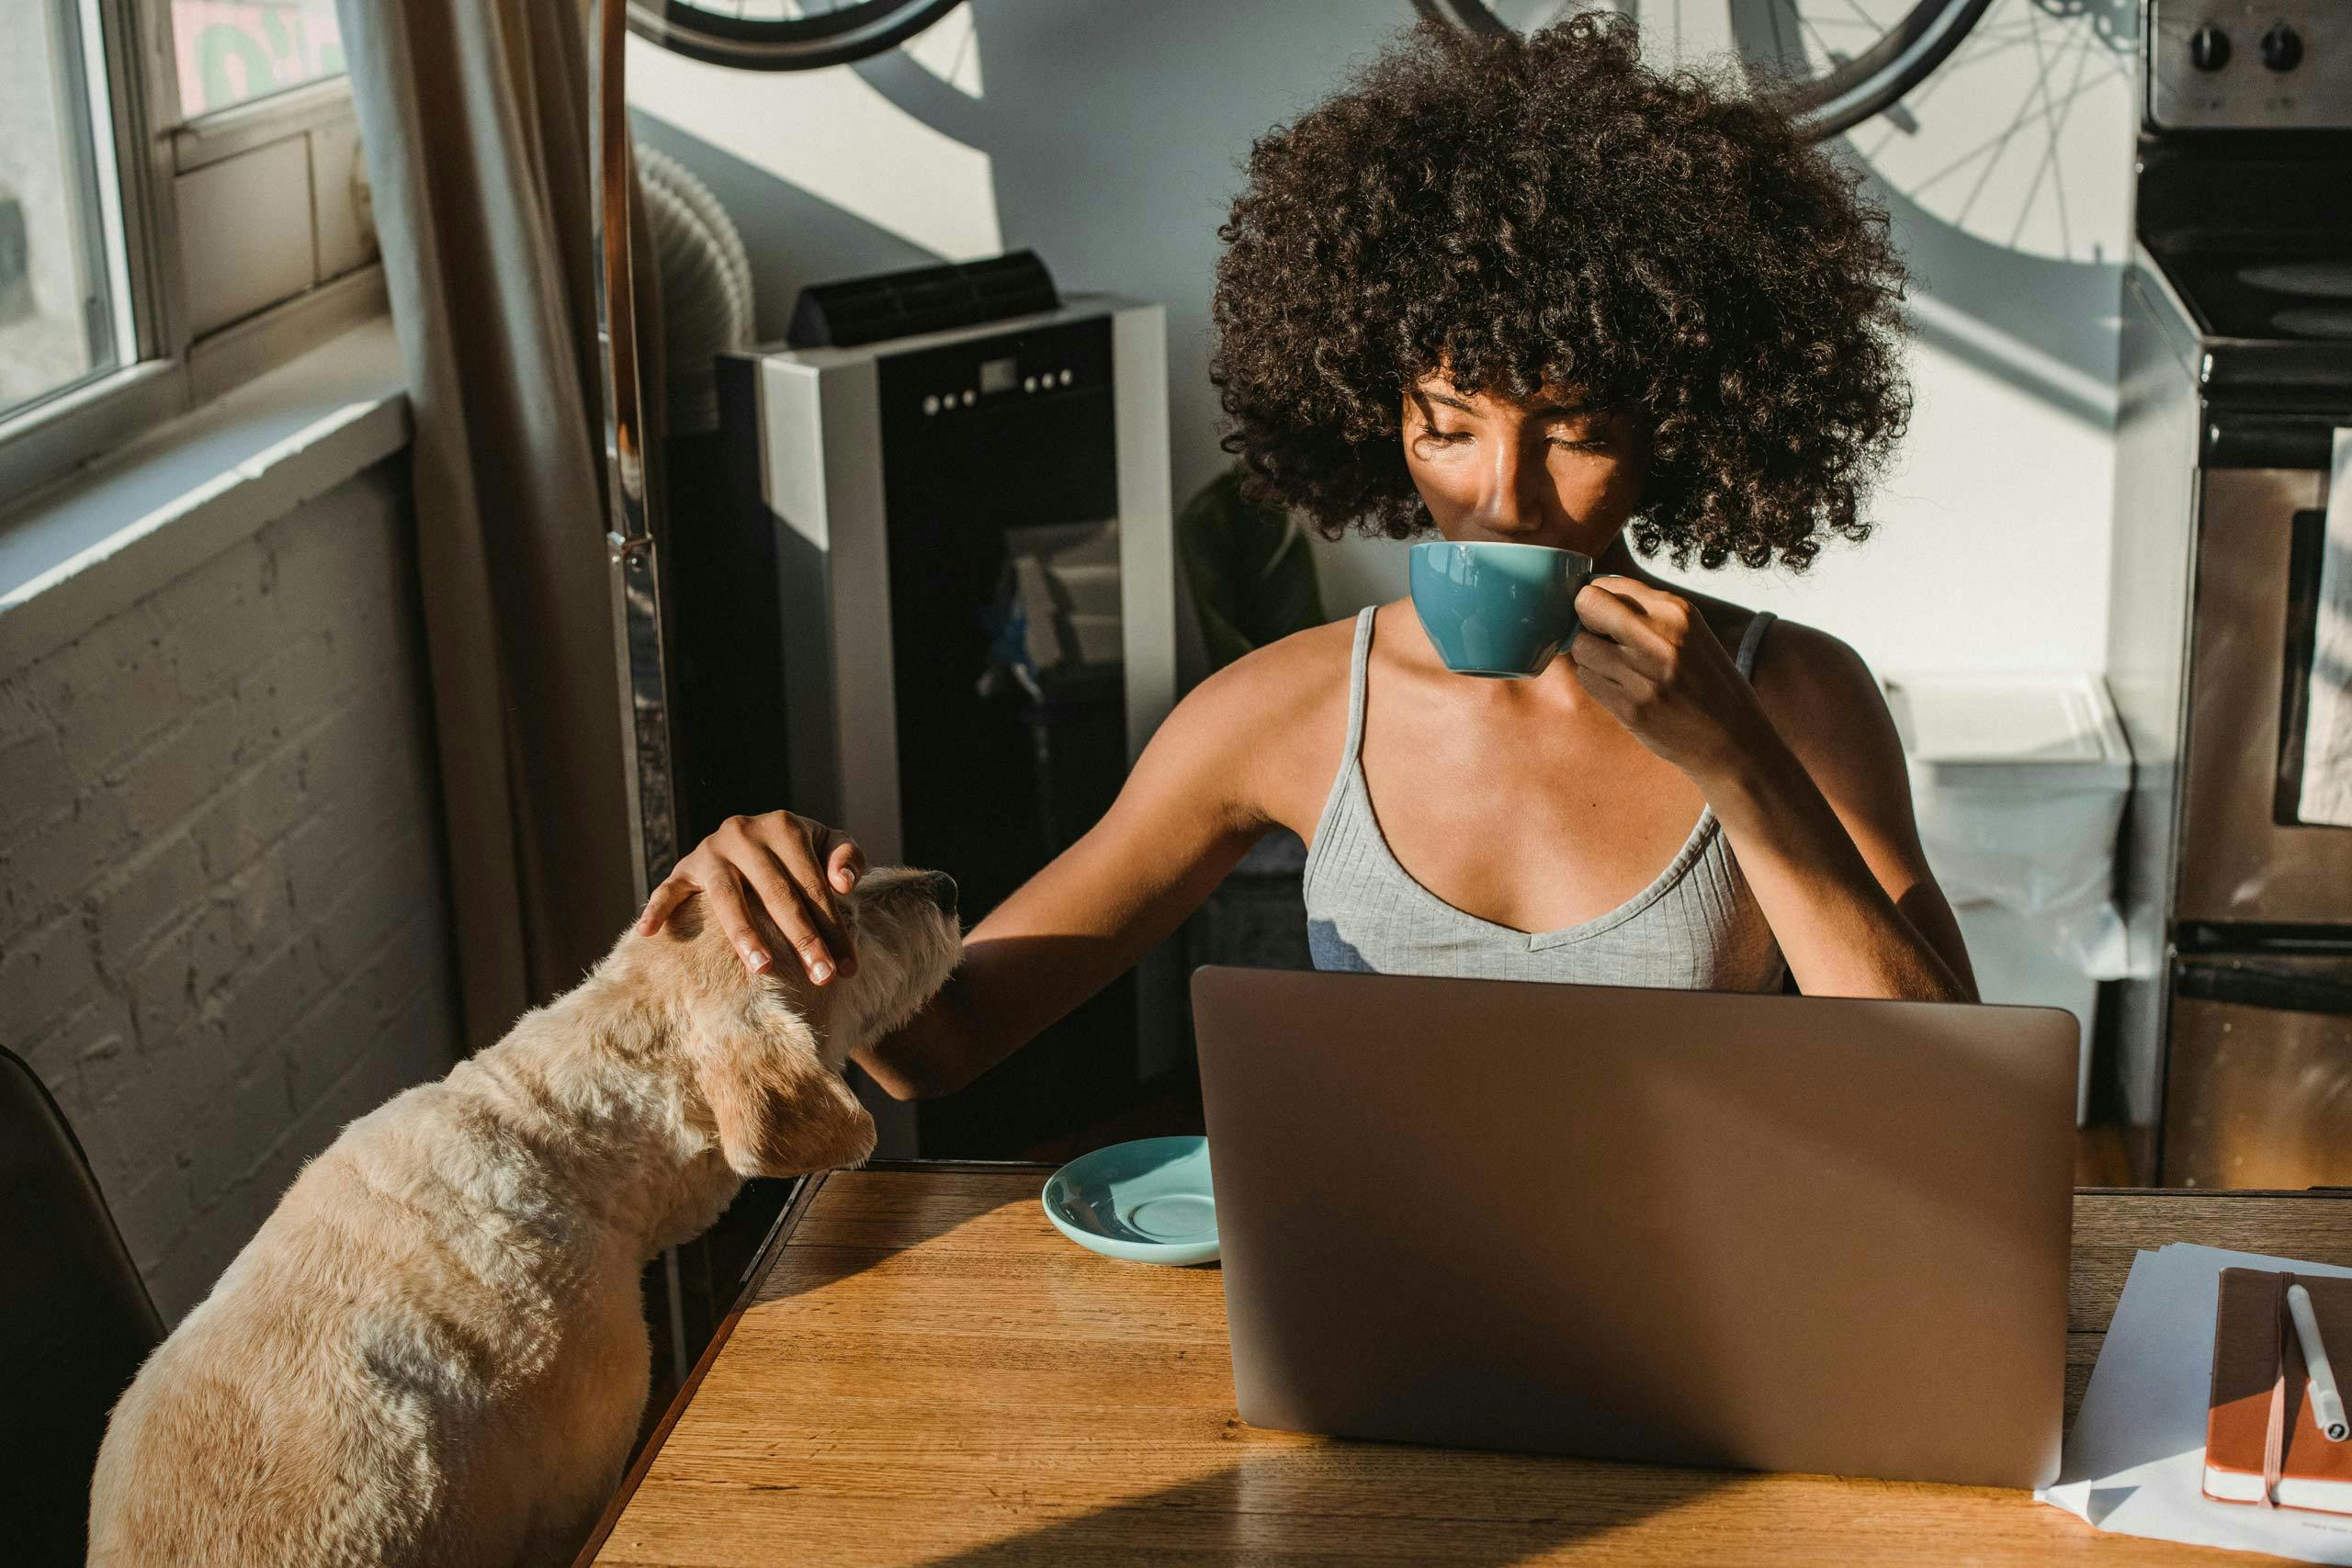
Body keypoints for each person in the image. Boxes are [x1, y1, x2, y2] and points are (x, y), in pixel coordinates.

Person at [637, 15, 1975, 1101]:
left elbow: (1954, 1096)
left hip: (1710, 1292)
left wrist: (1739, 763)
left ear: (1678, 430)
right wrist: (790, 909)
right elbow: (941, 1044)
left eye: (1572, 431)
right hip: (1376, 1295)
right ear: (1374, 412)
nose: (1501, 497)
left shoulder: (1789, 696)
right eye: (1446, 428)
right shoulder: (1277, 716)